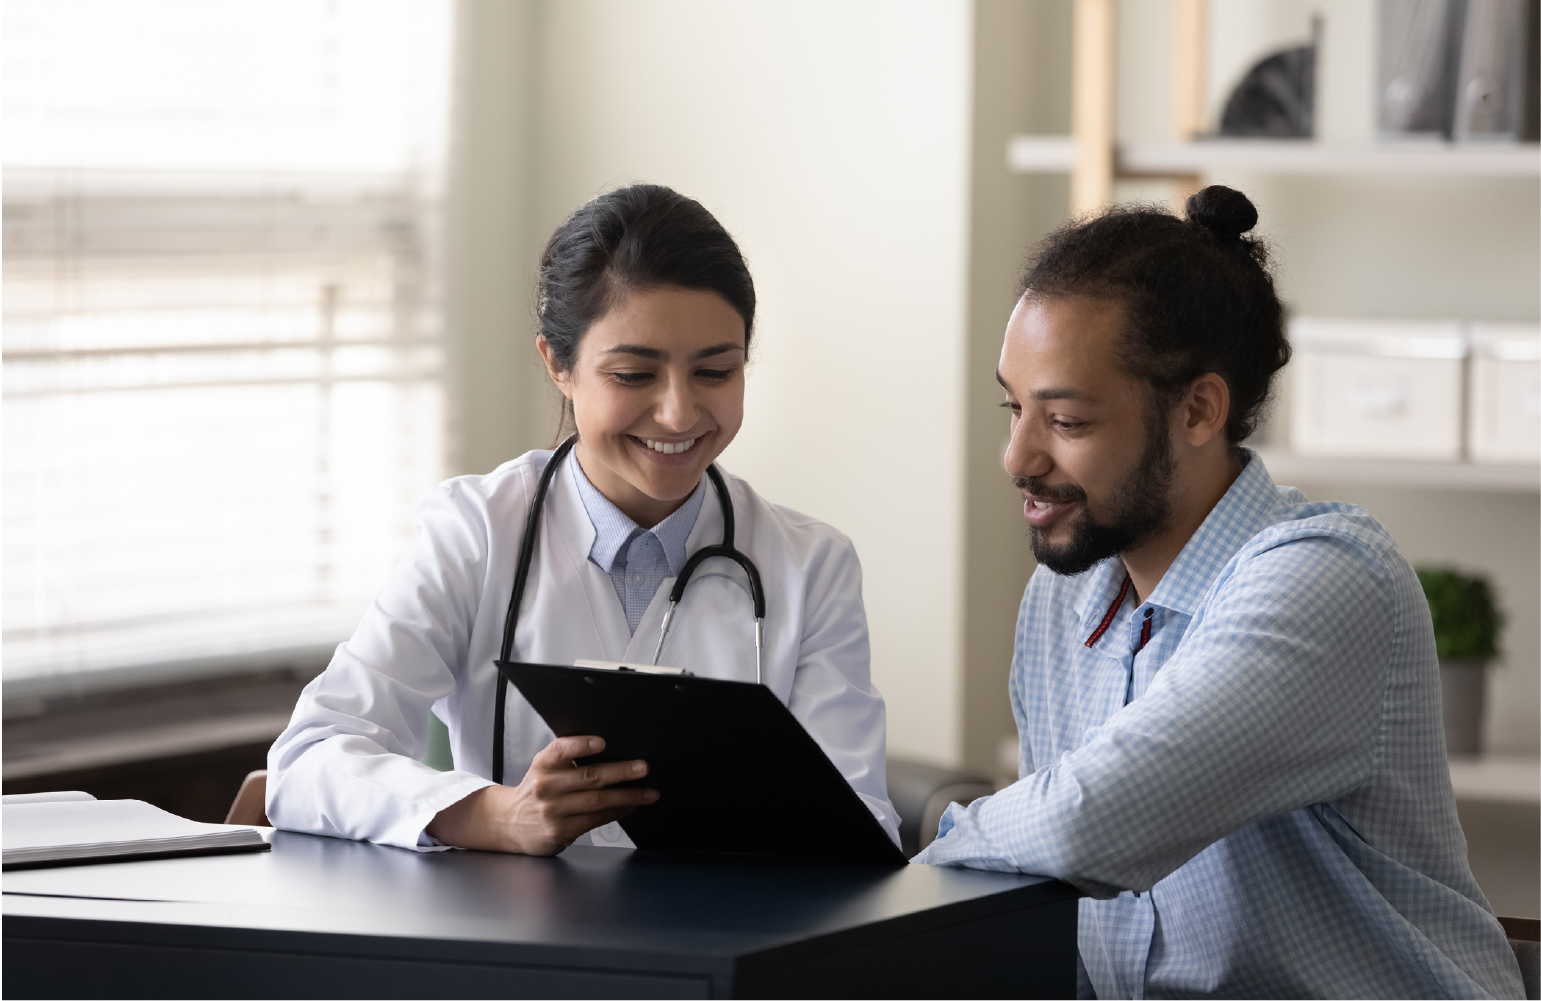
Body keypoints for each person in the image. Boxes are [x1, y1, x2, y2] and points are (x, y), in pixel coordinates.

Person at [914, 186, 1524, 999]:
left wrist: (932, 847)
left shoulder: (1324, 578)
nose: (1017, 456)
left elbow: (1086, 823)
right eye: (1013, 407)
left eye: (1064, 422)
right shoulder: (1063, 599)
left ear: (1198, 408)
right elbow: (1060, 900)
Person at [267, 184, 900, 856]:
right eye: (633, 375)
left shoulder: (811, 566)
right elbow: (308, 757)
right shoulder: (475, 533)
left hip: (722, 949)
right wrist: (495, 813)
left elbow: (863, 828)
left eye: (715, 370)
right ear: (557, 364)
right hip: (517, 947)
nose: (679, 413)